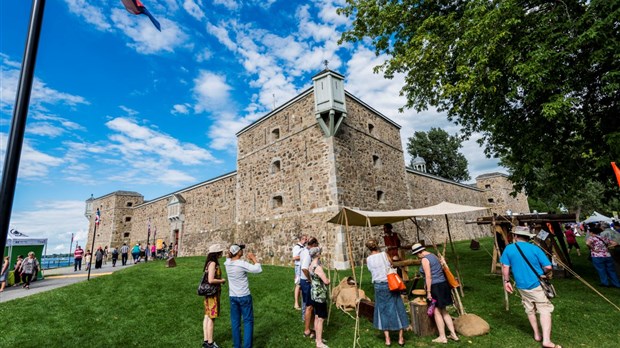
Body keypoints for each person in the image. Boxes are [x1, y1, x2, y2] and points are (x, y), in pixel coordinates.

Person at [501, 226, 560, 348]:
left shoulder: (508, 248)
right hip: (536, 284)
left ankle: (537, 334)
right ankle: (546, 341)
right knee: (544, 309)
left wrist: (506, 281)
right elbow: (548, 267)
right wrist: (543, 273)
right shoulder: (535, 248)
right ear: (528, 237)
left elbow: (505, 267)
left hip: (521, 285)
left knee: (529, 308)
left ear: (516, 236)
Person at [411, 243, 459, 344]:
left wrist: (428, 292)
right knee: (444, 311)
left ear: (419, 252)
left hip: (435, 287)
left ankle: (442, 337)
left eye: (416, 254)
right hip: (443, 285)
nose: (417, 256)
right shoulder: (433, 255)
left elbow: (428, 276)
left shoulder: (425, 259)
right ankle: (453, 334)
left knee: (437, 311)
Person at [366, 239, 409, 346]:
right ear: (377, 245)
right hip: (389, 283)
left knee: (382, 309)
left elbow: (371, 270)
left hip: (378, 285)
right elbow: (391, 264)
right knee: (397, 307)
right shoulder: (384, 255)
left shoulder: (368, 259)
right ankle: (400, 338)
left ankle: (387, 339)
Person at [224, 244, 262, 348]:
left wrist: (231, 253)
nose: (242, 251)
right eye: (241, 249)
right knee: (248, 321)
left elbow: (228, 258)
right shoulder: (241, 264)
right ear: (238, 252)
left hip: (233, 296)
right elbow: (258, 269)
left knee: (235, 323)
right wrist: (253, 258)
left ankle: (237, 346)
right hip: (244, 296)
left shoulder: (227, 264)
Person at [202, 244, 227, 348]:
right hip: (212, 294)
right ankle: (210, 343)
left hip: (210, 294)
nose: (221, 253)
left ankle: (206, 340)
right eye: (220, 252)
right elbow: (211, 280)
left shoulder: (209, 263)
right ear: (216, 253)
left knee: (207, 316)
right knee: (211, 317)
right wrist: (222, 280)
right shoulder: (212, 264)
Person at [586, 223, 620, 288]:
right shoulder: (604, 238)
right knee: (611, 270)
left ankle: (605, 283)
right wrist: (608, 247)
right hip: (607, 255)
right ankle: (616, 283)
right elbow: (616, 243)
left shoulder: (592, 238)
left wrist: (593, 248)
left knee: (601, 269)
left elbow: (587, 243)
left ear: (592, 232)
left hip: (597, 256)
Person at [309, 247, 330, 348]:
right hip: (320, 295)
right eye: (320, 253)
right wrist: (328, 280)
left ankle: (318, 338)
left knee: (317, 316)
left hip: (314, 293)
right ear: (317, 255)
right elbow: (326, 281)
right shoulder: (318, 267)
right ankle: (319, 343)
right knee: (321, 318)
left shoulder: (311, 265)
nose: (321, 254)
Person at [301, 237, 319, 338]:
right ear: (313, 244)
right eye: (317, 245)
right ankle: (307, 330)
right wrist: (310, 279)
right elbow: (304, 268)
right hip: (307, 282)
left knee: (310, 306)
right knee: (309, 306)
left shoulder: (304, 251)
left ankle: (311, 328)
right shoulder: (308, 253)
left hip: (304, 281)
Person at [292, 234, 307, 310]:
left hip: (303, 267)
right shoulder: (296, 247)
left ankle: (302, 301)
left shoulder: (304, 247)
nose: (306, 240)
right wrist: (303, 256)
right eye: (304, 239)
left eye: (306, 239)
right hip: (298, 267)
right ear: (301, 239)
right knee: (298, 284)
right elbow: (294, 258)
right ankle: (296, 303)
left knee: (302, 284)